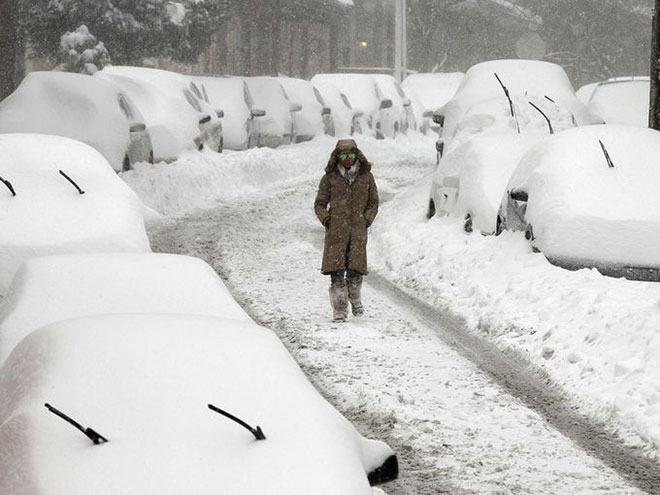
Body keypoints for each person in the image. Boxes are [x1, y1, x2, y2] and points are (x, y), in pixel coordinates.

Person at [314, 139, 379, 322]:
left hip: (357, 232)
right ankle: (340, 309)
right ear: (337, 157)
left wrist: (367, 219)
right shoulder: (330, 178)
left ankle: (355, 297)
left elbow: (373, 202)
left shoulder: (366, 177)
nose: (347, 159)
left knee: (355, 271)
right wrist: (326, 219)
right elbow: (319, 203)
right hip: (336, 233)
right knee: (336, 273)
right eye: (343, 155)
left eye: (351, 155)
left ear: (357, 155)